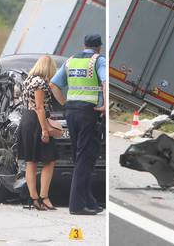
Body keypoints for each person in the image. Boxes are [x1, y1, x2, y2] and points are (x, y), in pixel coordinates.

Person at [50, 34, 106, 215]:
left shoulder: (71, 60)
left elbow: (53, 85)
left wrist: (65, 104)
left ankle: (89, 201)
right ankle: (76, 206)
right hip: (88, 112)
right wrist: (105, 103)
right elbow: (106, 81)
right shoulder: (98, 60)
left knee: (80, 157)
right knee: (85, 159)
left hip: (71, 112)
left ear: (84, 45)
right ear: (99, 47)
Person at [17, 55, 58, 210]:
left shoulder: (28, 80)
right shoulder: (40, 83)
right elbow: (39, 107)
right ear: (48, 68)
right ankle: (43, 196)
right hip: (37, 121)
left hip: (26, 119)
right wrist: (45, 130)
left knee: (31, 161)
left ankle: (33, 198)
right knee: (50, 160)